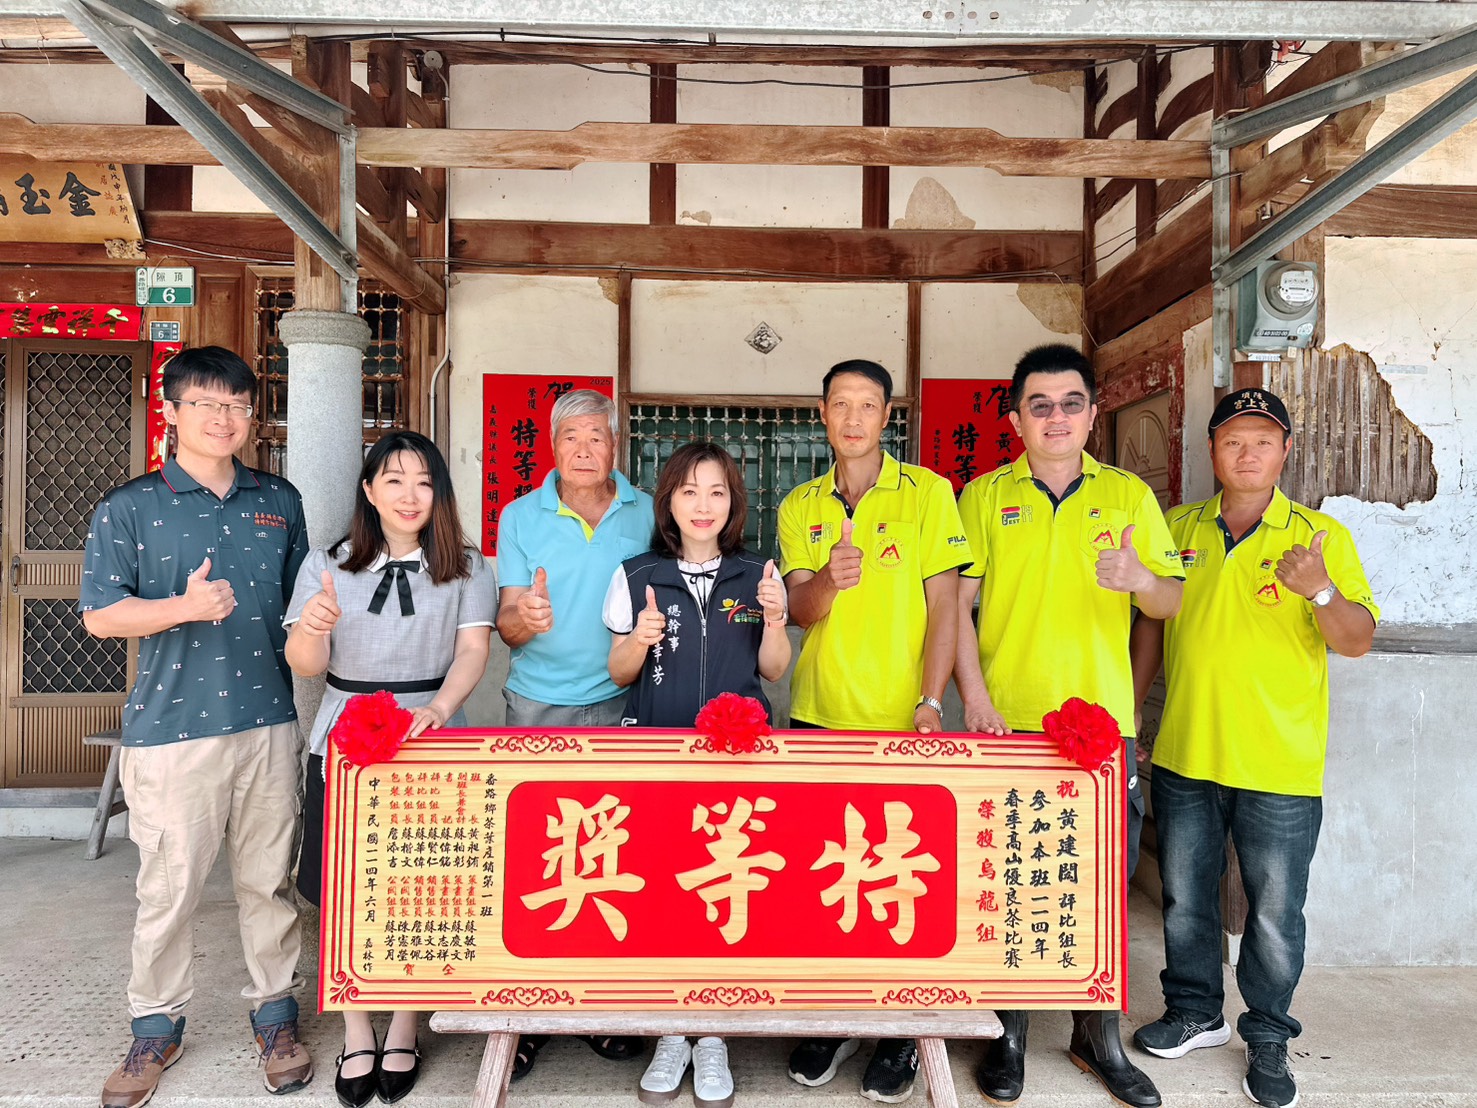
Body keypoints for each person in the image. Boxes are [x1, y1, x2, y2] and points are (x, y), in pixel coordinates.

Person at [1128, 388, 1378, 1108]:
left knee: (1273, 910)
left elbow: (1357, 641)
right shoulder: (1178, 528)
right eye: (1233, 440)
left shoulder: (1318, 537)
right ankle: (1195, 1012)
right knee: (1185, 898)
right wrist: (1129, 715)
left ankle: (1267, 1034)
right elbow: (1151, 625)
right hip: (1187, 751)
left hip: (1279, 762)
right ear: (1211, 449)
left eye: (1262, 441)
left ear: (1285, 451)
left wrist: (1320, 590)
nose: (1247, 453)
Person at [80, 346, 314, 1108]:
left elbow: (301, 606)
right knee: (169, 889)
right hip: (171, 732)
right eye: (208, 404)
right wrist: (181, 606)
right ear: (172, 412)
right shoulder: (130, 506)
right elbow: (100, 615)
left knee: (268, 883)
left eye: (238, 405)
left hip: (268, 723)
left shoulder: (278, 500)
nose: (224, 418)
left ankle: (275, 1016)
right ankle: (156, 1026)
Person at [953, 343, 1183, 1108]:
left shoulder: (1127, 496)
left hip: (1097, 731)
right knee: (1010, 877)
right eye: (1039, 404)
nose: (1056, 417)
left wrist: (1140, 579)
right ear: (1015, 418)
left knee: (1101, 887)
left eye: (1070, 403)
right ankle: (1008, 1032)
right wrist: (973, 697)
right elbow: (954, 605)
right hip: (1008, 722)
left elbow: (1167, 604)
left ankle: (1096, 1034)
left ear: (1092, 413)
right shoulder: (983, 497)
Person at [777, 359, 971, 1104]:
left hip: (901, 718)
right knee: (825, 879)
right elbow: (800, 613)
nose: (853, 417)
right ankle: (835, 1018)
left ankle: (899, 1033)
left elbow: (946, 605)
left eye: (867, 405)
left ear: (888, 416)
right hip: (819, 714)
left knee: (900, 881)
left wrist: (931, 699)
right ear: (822, 414)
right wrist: (830, 577)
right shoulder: (800, 503)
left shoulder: (928, 493)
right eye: (840, 404)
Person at [283, 430, 495, 1108]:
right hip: (347, 741)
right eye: (394, 480)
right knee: (346, 889)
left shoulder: (467, 566)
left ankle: (404, 1023)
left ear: (440, 494)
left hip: (434, 736)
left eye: (424, 482)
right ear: (369, 490)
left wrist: (438, 708)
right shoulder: (328, 563)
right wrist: (312, 627)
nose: (410, 495)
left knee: (425, 887)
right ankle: (356, 1029)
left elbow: (472, 650)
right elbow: (305, 665)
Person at [603, 442, 790, 1108]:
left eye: (716, 492)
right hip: (659, 757)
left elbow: (772, 669)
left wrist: (774, 616)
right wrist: (640, 638)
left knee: (724, 892)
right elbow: (618, 673)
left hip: (738, 764)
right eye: (689, 491)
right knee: (663, 892)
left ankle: (712, 1035)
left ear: (733, 502)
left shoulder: (755, 574)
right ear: (669, 502)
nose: (703, 505)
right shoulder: (637, 575)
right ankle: (670, 1031)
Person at [493, 388, 652, 1078]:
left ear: (615, 446)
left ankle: (598, 1006)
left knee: (614, 859)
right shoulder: (519, 515)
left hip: (625, 702)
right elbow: (506, 624)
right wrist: (524, 617)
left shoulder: (646, 511)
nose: (584, 451)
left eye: (596, 437)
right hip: (539, 705)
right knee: (540, 859)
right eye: (570, 438)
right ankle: (532, 1013)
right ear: (552, 446)